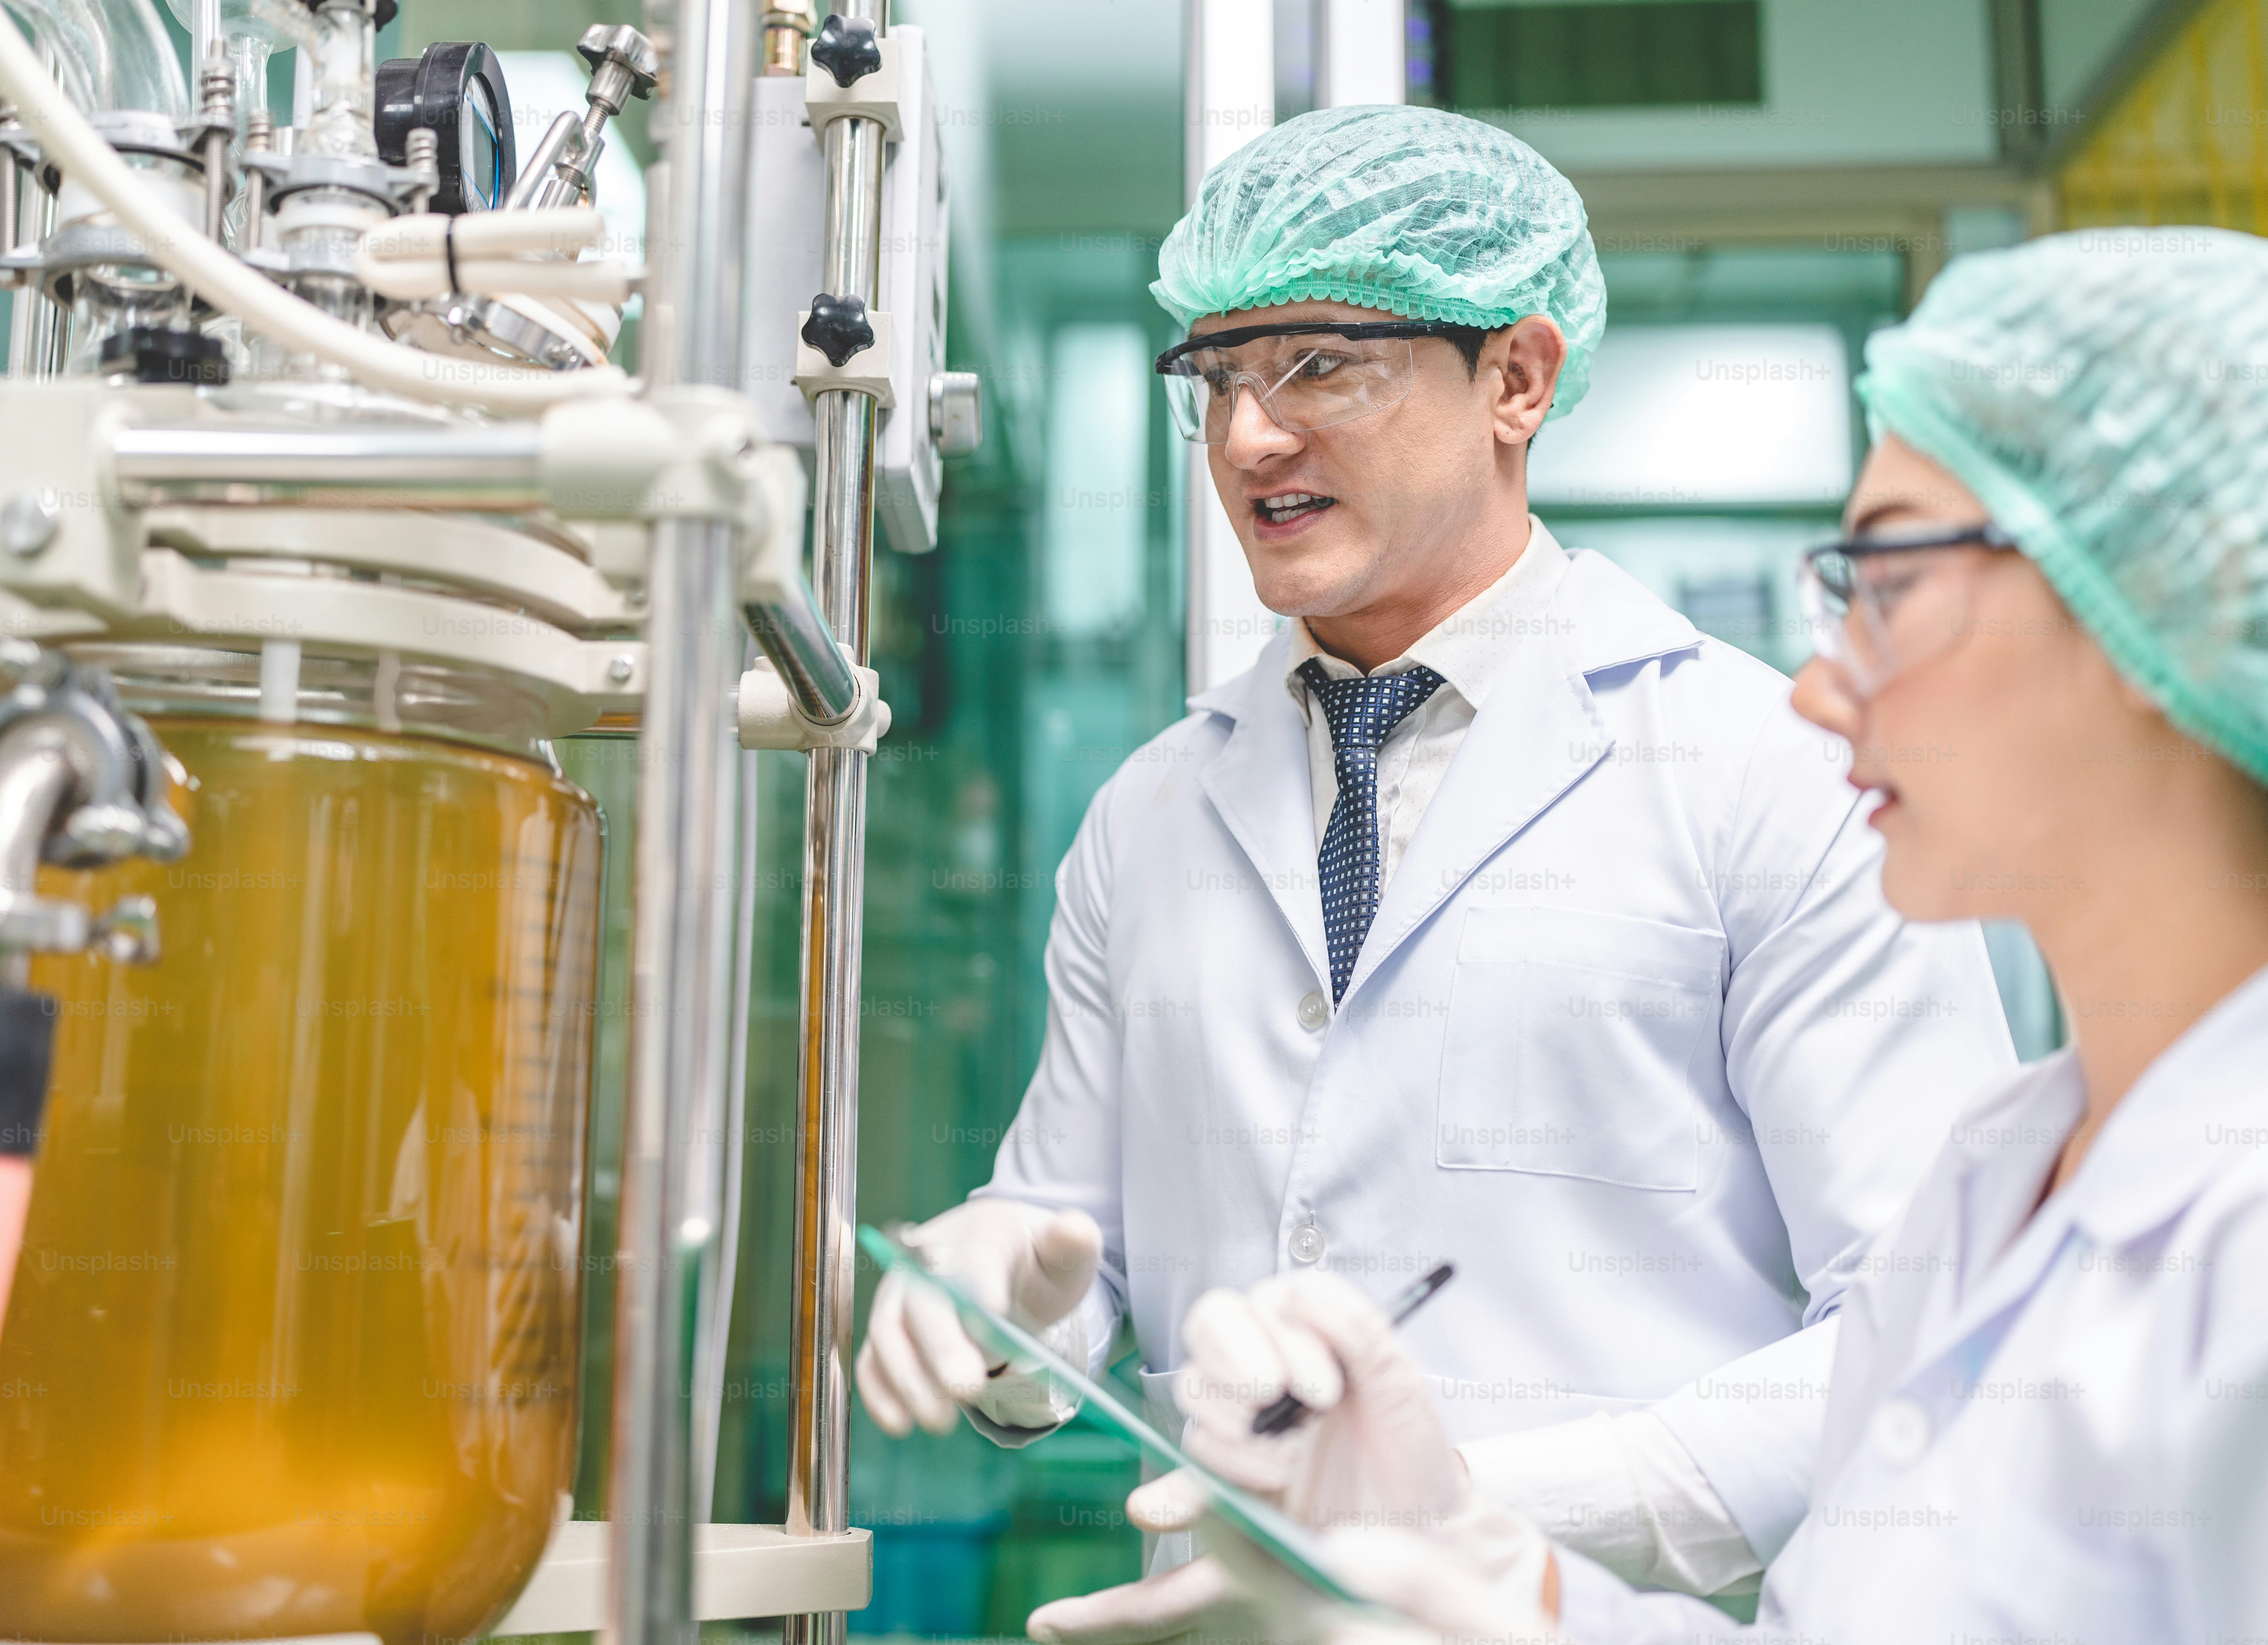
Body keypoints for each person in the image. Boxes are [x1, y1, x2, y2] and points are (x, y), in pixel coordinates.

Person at [854, 103, 2019, 1617]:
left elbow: (1942, 1325)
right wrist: (1004, 1314)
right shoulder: (1147, 818)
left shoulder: (1774, 778)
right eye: (1214, 376)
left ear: (1518, 379)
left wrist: (1477, 1517)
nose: (1250, 436)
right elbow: (1076, 1260)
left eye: (1320, 363)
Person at [1152, 225, 2268, 1645]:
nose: (1817, 694)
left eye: (1893, 586)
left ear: (2170, 609)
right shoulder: (2002, 1171)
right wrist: (1508, 1580)